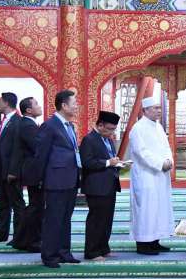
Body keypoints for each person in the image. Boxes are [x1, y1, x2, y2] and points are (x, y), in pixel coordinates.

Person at [36, 90, 81, 268]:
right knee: (53, 218)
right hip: (55, 179)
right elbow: (41, 155)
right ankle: (49, 255)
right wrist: (40, 179)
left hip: (70, 178)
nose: (76, 106)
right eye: (74, 103)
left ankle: (64, 252)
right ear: (64, 105)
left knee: (65, 218)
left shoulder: (69, 125)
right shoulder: (50, 125)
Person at [128, 96, 175, 255]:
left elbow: (167, 147)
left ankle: (155, 241)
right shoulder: (138, 128)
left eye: (159, 108)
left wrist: (169, 160)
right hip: (146, 175)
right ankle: (143, 244)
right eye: (155, 108)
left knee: (158, 208)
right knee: (146, 209)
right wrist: (160, 163)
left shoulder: (159, 127)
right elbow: (141, 153)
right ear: (145, 110)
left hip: (161, 174)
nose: (159, 111)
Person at [80, 111, 128, 261]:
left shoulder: (107, 139)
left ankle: (103, 248)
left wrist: (119, 164)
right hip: (96, 186)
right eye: (109, 129)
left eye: (114, 129)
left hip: (109, 184)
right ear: (100, 125)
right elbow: (87, 162)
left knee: (107, 219)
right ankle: (92, 252)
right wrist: (109, 163)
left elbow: (110, 160)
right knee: (96, 220)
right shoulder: (89, 139)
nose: (112, 133)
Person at [0, 92, 25, 245]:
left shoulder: (17, 122)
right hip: (1, 171)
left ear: (7, 103)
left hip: (11, 172)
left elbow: (18, 149)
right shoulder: (5, 121)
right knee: (3, 203)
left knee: (17, 204)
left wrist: (13, 171)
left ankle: (18, 236)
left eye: (0, 102)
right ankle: (2, 233)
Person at [10, 97, 43, 253]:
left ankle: (21, 239)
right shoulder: (28, 125)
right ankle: (30, 241)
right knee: (35, 207)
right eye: (36, 104)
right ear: (28, 110)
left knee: (34, 206)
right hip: (33, 172)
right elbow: (38, 148)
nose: (39, 106)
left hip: (31, 171)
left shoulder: (28, 124)